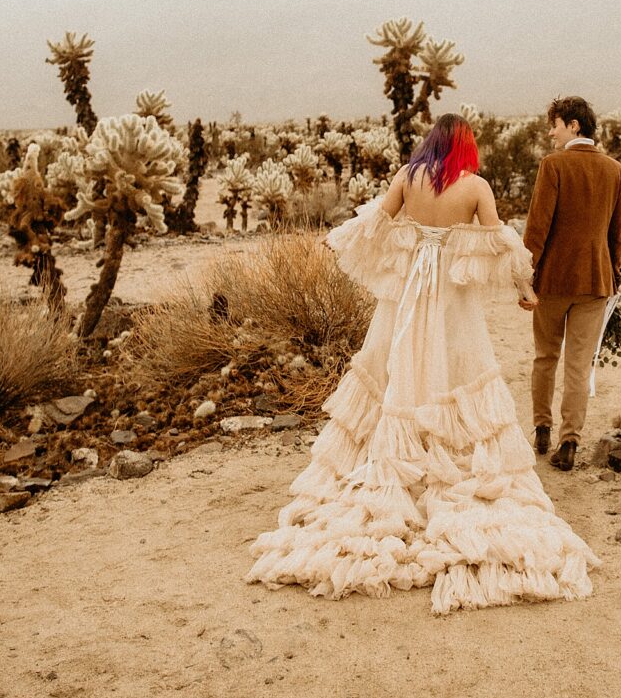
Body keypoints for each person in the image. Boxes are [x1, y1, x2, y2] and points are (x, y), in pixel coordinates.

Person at [245, 113, 602, 614]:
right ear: (467, 147)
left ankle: (394, 452)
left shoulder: (408, 177)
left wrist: (338, 237)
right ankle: (443, 451)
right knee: (456, 365)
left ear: (432, 142)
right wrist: (526, 288)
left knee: (398, 363)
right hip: (452, 295)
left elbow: (375, 220)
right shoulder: (476, 186)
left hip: (410, 289)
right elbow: (501, 242)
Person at [521, 96, 621, 472]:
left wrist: (524, 276)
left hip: (553, 280)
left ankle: (542, 428)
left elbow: (537, 228)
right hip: (596, 282)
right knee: (579, 366)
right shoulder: (614, 170)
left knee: (545, 356)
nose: (551, 131)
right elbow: (617, 233)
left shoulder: (553, 166)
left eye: (556, 124)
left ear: (574, 126)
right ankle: (570, 442)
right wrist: (613, 274)